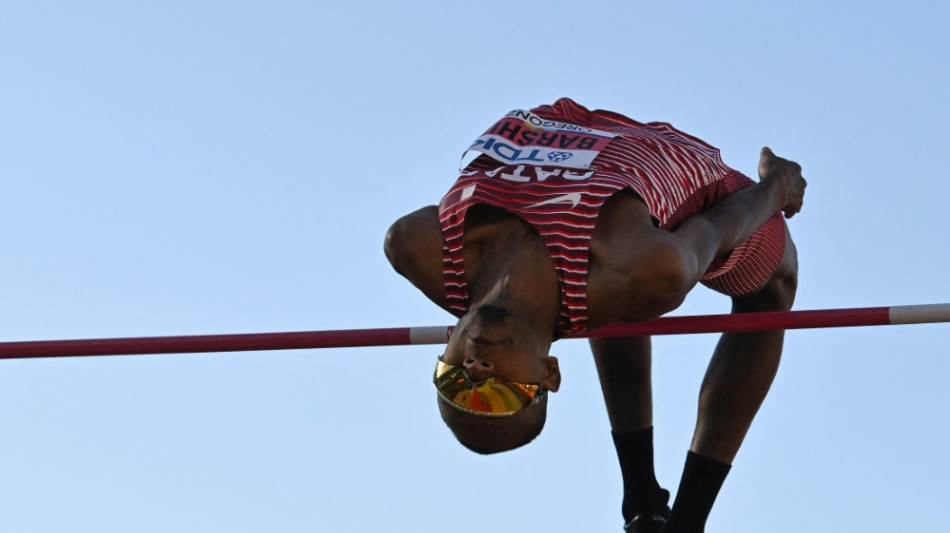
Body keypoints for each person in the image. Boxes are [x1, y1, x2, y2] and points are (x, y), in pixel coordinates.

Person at [384, 98, 806, 533]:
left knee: (602, 294)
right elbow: (719, 228)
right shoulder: (643, 269)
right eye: (498, 396)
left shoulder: (416, 247)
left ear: (448, 344)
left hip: (556, 126)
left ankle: (641, 495)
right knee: (770, 286)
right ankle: (687, 522)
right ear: (549, 374)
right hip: (676, 164)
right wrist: (776, 187)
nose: (476, 372)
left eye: (455, 385)